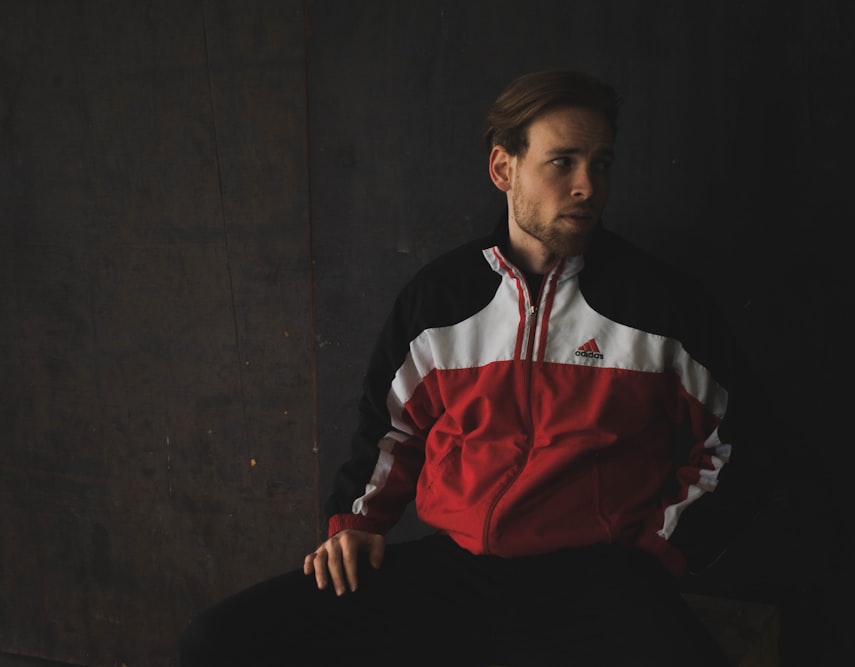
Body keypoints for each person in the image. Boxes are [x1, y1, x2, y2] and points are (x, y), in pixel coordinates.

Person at [180, 68, 773, 667]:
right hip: (457, 572)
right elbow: (391, 430)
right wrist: (357, 523)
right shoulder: (439, 299)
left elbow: (739, 441)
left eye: (602, 163)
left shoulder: (660, 304)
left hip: (600, 578)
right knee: (219, 641)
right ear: (503, 169)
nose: (587, 186)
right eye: (562, 163)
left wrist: (661, 556)